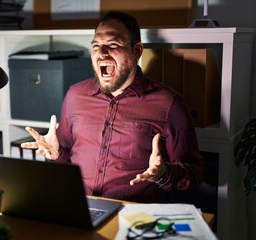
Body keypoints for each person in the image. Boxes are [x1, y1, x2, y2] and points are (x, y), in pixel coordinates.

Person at [21, 11, 204, 203]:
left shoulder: (170, 104)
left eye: (113, 44)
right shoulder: (75, 95)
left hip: (134, 216)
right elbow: (67, 160)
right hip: (79, 207)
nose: (101, 53)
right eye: (96, 46)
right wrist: (57, 155)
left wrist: (164, 173)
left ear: (137, 51)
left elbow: (195, 172)